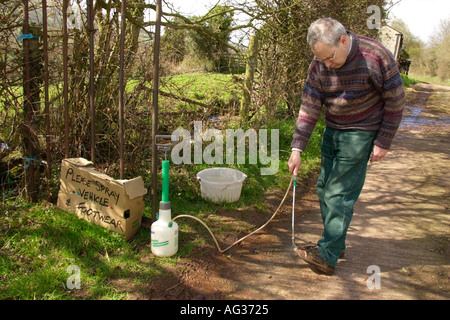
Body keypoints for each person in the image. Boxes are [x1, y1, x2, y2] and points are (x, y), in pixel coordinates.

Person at [288, 17, 405, 275]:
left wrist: (383, 141)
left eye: (329, 57)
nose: (326, 64)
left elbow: (396, 102)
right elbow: (309, 106)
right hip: (333, 129)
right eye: (321, 59)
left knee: (338, 193)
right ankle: (336, 243)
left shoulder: (375, 56)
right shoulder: (319, 64)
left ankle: (327, 256)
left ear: (343, 40)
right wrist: (297, 149)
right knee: (323, 188)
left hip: (362, 131)